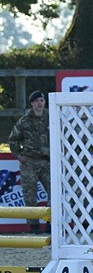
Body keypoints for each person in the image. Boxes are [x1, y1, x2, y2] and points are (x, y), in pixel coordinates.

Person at [7, 91, 51, 234]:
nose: (39, 103)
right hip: (29, 162)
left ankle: (50, 223)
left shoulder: (51, 117)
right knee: (30, 194)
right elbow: (13, 139)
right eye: (36, 101)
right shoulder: (24, 121)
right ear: (32, 103)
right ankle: (34, 226)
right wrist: (19, 155)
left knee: (53, 192)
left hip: (46, 161)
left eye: (42, 100)